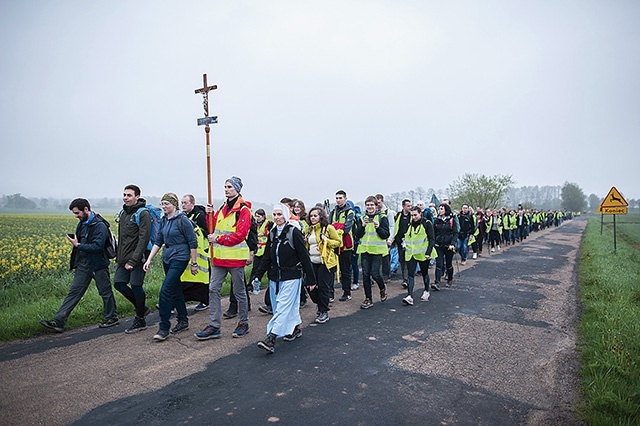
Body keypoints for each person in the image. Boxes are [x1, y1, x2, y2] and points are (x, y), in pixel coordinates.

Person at [41, 198, 118, 332]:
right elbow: (77, 246)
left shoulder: (100, 225)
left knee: (105, 292)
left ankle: (111, 318)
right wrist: (75, 263)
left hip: (98, 264)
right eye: (74, 213)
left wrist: (78, 245)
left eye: (77, 213)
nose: (76, 216)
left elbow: (97, 246)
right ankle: (59, 321)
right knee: (74, 292)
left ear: (86, 209)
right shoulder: (82, 223)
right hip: (83, 264)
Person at [195, 176, 252, 341]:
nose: (226, 189)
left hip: (235, 259)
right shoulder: (222, 208)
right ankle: (214, 326)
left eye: (229, 187)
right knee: (213, 290)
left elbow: (240, 235)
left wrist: (217, 240)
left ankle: (243, 322)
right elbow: (213, 227)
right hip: (219, 259)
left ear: (237, 189)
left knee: (239, 292)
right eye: (225, 186)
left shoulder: (243, 210)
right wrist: (209, 214)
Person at [254, 204, 316, 354]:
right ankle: (295, 328)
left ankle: (271, 338)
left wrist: (311, 279)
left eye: (280, 214)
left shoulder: (294, 233)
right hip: (275, 277)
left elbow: (304, 256)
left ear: (286, 215)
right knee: (283, 308)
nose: (277, 217)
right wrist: (257, 275)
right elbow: (267, 257)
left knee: (282, 308)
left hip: (292, 276)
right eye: (274, 215)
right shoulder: (272, 233)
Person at [143, 193, 198, 342]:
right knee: (175, 289)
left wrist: (194, 263)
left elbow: (192, 242)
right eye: (162, 204)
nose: (164, 206)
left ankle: (164, 327)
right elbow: (158, 241)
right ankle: (183, 320)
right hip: (167, 257)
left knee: (165, 291)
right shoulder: (164, 221)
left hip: (180, 257)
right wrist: (149, 259)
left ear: (174, 204)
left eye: (167, 203)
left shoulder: (183, 220)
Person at [113, 185, 152, 334]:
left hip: (138, 258)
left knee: (136, 286)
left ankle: (140, 319)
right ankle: (142, 308)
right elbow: (122, 238)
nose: (125, 197)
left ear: (137, 197)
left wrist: (133, 261)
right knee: (119, 283)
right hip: (123, 258)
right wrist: (119, 257)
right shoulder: (123, 213)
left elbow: (143, 239)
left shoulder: (143, 214)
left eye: (129, 195)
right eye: (124, 195)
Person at [304, 206, 341, 324]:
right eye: (311, 216)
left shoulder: (328, 228)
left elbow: (338, 242)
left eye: (315, 215)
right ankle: (320, 304)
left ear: (321, 216)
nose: (313, 218)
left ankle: (323, 311)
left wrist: (327, 241)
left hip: (325, 262)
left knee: (323, 287)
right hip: (312, 261)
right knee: (309, 285)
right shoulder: (309, 230)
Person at [354, 196, 390, 309]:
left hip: (377, 250)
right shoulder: (362, 218)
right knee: (365, 275)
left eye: (372, 205)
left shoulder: (382, 218)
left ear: (376, 206)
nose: (369, 207)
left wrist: (378, 227)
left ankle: (382, 288)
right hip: (365, 250)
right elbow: (357, 234)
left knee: (375, 274)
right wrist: (363, 227)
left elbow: (386, 234)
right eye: (368, 205)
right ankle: (368, 298)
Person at [180, 194, 210, 312]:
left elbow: (207, 231)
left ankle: (205, 301)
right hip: (188, 250)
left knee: (201, 278)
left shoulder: (200, 215)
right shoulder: (184, 216)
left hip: (200, 250)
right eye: (182, 203)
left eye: (185, 203)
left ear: (192, 203)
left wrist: (193, 229)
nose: (183, 205)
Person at [402, 206, 435, 305]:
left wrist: (428, 252)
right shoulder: (410, 225)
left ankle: (426, 290)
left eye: (415, 215)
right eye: (412, 215)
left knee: (424, 272)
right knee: (410, 274)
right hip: (411, 253)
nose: (414, 217)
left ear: (420, 213)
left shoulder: (427, 224)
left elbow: (431, 239)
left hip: (423, 253)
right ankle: (410, 296)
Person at [329, 190, 355, 302]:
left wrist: (336, 227)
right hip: (334, 244)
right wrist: (337, 227)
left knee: (345, 270)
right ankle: (330, 294)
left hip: (346, 245)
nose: (338, 200)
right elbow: (329, 227)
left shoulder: (350, 212)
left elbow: (346, 229)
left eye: (340, 198)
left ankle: (347, 292)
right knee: (331, 269)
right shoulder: (333, 212)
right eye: (337, 198)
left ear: (345, 198)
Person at [251, 209, 275, 315]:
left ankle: (270, 303)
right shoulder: (256, 225)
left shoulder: (269, 224)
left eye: (259, 216)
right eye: (256, 216)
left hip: (267, 252)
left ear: (264, 216)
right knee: (256, 272)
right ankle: (253, 285)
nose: (258, 218)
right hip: (259, 252)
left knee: (271, 277)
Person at [433, 203, 458, 288]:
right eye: (439, 208)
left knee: (448, 263)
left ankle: (450, 279)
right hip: (439, 244)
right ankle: (437, 282)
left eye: (441, 209)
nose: (439, 210)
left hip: (448, 245)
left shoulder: (451, 220)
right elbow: (434, 232)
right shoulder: (436, 220)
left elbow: (455, 233)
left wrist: (453, 244)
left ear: (446, 210)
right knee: (439, 263)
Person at [375, 194, 396, 283]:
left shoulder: (388, 212)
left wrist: (390, 238)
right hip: (375, 238)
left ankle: (386, 275)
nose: (377, 204)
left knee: (385, 258)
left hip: (385, 237)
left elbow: (392, 226)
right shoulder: (373, 211)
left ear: (382, 201)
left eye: (379, 202)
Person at [393, 199, 412, 288]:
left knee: (409, 260)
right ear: (403, 206)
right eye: (408, 206)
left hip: (411, 242)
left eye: (410, 206)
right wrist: (397, 239)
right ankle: (405, 279)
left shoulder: (412, 216)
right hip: (400, 241)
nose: (409, 208)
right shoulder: (398, 216)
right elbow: (395, 227)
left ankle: (408, 278)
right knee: (402, 260)